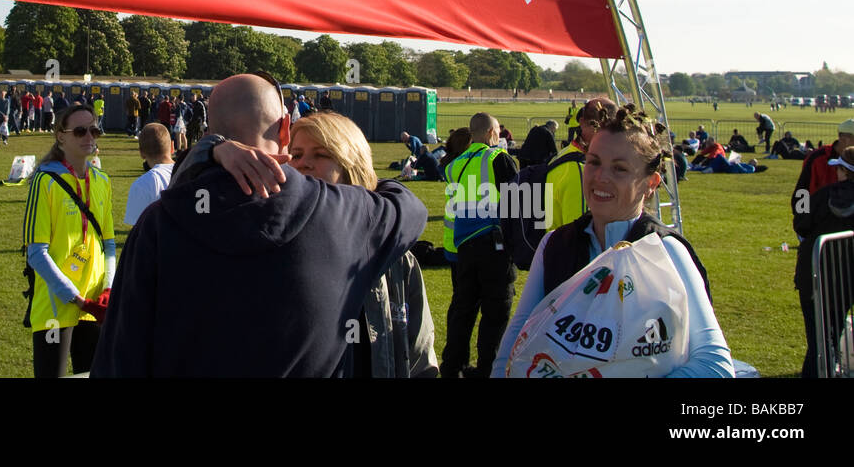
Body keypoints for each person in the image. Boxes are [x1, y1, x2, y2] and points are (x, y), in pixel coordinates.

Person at [92, 73, 426, 377]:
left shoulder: (159, 223)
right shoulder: (341, 213)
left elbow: (120, 356)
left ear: (210, 131)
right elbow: (411, 209)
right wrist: (361, 177)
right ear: (285, 128)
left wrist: (208, 151)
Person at [493, 105, 733, 377]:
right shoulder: (554, 246)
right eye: (593, 162)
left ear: (651, 183)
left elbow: (715, 364)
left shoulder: (668, 251)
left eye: (619, 169)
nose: (600, 177)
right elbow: (517, 338)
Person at [292, 112, 438, 377]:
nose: (304, 164)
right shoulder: (281, 249)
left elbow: (420, 355)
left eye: (321, 155)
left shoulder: (397, 259)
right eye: (296, 154)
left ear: (352, 166)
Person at [23, 104, 115, 377]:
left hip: (95, 306)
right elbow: (36, 252)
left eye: (94, 130)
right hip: (57, 306)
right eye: (80, 131)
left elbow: (108, 245)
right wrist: (74, 298)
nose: (89, 137)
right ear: (61, 136)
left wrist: (107, 290)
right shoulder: (45, 181)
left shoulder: (102, 180)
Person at [441, 112, 518, 378]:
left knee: (463, 309)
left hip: (464, 245)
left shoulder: (454, 165)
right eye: (497, 131)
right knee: (496, 310)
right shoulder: (498, 158)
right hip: (494, 244)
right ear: (489, 133)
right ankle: (488, 368)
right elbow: (515, 203)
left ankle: (453, 366)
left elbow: (454, 209)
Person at [794, 146, 854, 377]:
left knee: (817, 342)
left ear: (842, 171)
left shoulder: (821, 194)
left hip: (815, 275)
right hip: (846, 281)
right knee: (834, 331)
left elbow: (801, 218)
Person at [546, 98, 616, 233]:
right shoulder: (580, 169)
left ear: (581, 121)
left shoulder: (567, 153)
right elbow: (579, 234)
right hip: (564, 250)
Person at [124, 123, 174, 227]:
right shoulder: (190, 173)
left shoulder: (142, 184)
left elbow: (139, 231)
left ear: (141, 153)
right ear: (172, 147)